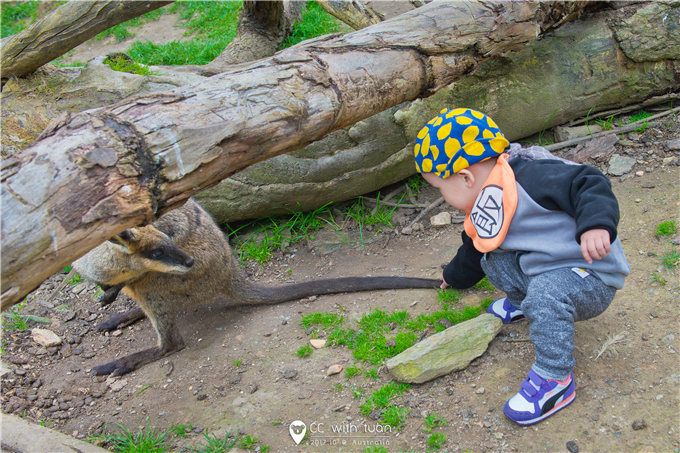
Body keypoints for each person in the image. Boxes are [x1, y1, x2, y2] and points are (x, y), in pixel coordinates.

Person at [414, 108, 630, 425]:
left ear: (465, 177)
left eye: (440, 189)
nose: (444, 197)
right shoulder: (486, 201)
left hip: (590, 275)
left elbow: (589, 182)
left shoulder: (532, 176)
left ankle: (555, 379)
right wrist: (452, 277)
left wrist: (595, 225)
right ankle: (524, 304)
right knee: (494, 259)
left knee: (545, 294)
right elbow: (476, 250)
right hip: (549, 268)